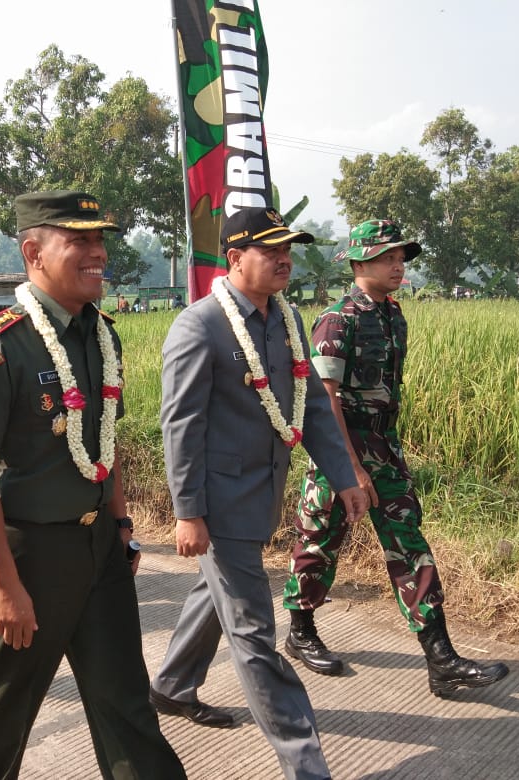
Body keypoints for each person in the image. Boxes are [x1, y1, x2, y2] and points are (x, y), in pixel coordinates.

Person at [0, 190, 185, 780]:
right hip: (26, 553)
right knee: (5, 708)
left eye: (99, 240)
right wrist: (2, 585)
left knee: (125, 698)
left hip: (98, 545)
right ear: (33, 251)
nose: (97, 252)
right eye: (78, 240)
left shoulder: (101, 334)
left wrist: (122, 524)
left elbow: (106, 443)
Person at [148, 208, 368, 780]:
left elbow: (313, 406)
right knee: (253, 633)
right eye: (270, 250)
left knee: (215, 595)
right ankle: (306, 764)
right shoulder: (200, 327)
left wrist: (344, 475)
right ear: (235, 258)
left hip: (261, 496)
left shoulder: (287, 320)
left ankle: (172, 686)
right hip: (218, 508)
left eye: (288, 249)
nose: (284, 259)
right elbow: (182, 426)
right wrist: (188, 513)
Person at [282, 219, 510, 697]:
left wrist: (380, 459)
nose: (398, 264)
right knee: (321, 540)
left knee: (408, 541)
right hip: (340, 448)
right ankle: (300, 632)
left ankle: (441, 659)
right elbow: (325, 398)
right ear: (359, 261)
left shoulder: (393, 315)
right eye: (388, 256)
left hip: (385, 446)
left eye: (401, 257)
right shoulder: (337, 319)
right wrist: (352, 467)